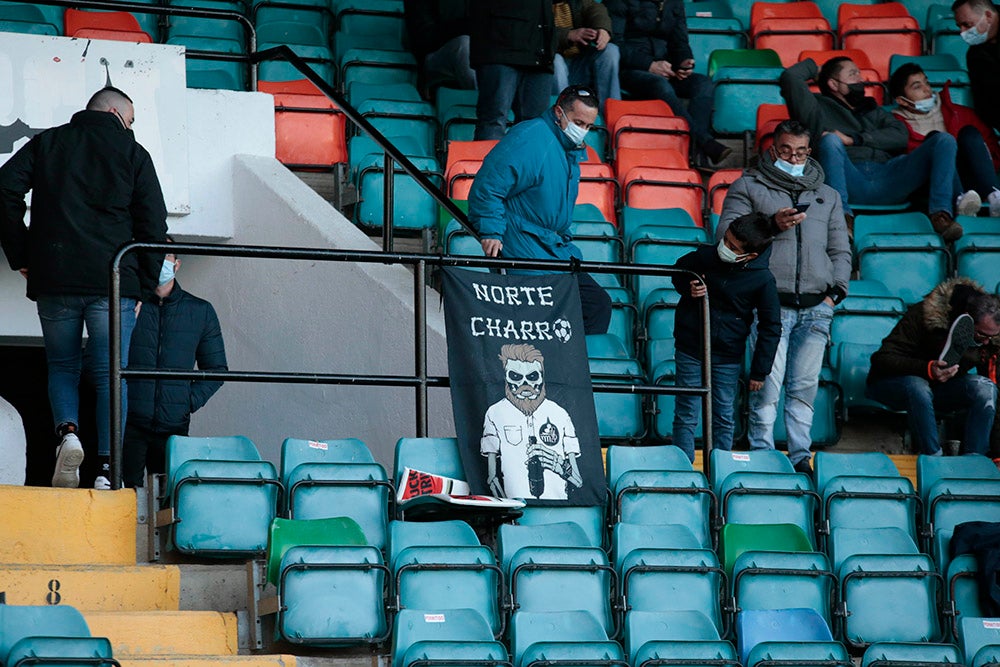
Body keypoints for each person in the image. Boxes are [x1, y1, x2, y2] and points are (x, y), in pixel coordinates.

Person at [0, 86, 168, 490]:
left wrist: (22, 255)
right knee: (112, 373)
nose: (130, 127)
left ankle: (67, 435)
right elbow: (153, 225)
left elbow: (4, 189)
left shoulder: (49, 141)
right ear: (115, 111)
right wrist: (144, 286)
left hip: (55, 276)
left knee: (62, 365)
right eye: (130, 119)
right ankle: (108, 468)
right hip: (114, 281)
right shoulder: (134, 153)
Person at [716, 120, 851, 474]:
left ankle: (799, 456)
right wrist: (771, 224)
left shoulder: (828, 195)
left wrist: (834, 294)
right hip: (768, 305)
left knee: (804, 387)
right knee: (767, 386)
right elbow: (727, 237)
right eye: (787, 150)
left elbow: (840, 250)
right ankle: (762, 453)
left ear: (810, 152)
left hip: (817, 306)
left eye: (801, 151)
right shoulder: (748, 186)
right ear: (774, 149)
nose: (794, 157)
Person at [780, 57, 975, 242]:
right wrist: (817, 69)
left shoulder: (874, 110)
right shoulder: (816, 109)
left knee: (944, 140)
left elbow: (900, 137)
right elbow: (790, 77)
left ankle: (940, 215)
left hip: (889, 175)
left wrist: (854, 139)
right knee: (830, 140)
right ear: (833, 84)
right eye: (853, 74)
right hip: (850, 177)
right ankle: (842, 220)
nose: (861, 79)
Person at [468, 85, 612, 335]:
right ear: (559, 112)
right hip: (522, 245)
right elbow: (488, 184)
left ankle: (566, 369)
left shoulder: (567, 148)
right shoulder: (531, 137)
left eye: (588, 126)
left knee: (596, 305)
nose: (583, 131)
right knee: (556, 313)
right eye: (578, 122)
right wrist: (490, 230)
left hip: (551, 248)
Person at [671, 211, 782, 462]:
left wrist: (759, 371)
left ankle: (720, 467)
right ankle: (682, 467)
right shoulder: (705, 256)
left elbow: (771, 325)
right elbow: (678, 271)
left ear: (751, 255)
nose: (725, 248)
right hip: (691, 346)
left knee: (723, 414)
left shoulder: (763, 279)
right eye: (726, 240)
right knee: (686, 411)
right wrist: (689, 288)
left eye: (733, 247)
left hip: (728, 354)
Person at [123, 249, 227, 488]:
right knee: (126, 496)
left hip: (174, 425)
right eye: (155, 255)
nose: (161, 262)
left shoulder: (200, 310)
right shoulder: (128, 305)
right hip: (130, 421)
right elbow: (102, 358)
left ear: (177, 264)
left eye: (167, 256)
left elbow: (216, 369)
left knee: (168, 499)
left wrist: (186, 401)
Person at [867, 278, 1000, 456]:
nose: (985, 341)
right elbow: (882, 359)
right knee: (918, 386)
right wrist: (928, 369)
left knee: (986, 388)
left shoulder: (990, 338)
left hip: (941, 389)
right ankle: (934, 458)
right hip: (892, 385)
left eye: (991, 337)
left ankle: (976, 459)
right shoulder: (922, 315)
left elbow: (995, 385)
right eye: (981, 334)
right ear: (967, 319)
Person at [605, 0, 731, 166]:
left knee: (704, 84)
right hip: (630, 70)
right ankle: (703, 143)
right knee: (660, 84)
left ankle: (697, 150)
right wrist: (649, 64)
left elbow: (680, 41)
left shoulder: (674, 2)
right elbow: (614, 45)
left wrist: (683, 62)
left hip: (666, 67)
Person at [889, 62, 1000, 216]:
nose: (926, 89)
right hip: (931, 184)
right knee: (936, 139)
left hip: (970, 178)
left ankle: (995, 197)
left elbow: (991, 148)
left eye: (926, 82)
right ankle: (960, 200)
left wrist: (984, 167)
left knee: (969, 133)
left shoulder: (958, 113)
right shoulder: (894, 126)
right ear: (901, 100)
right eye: (917, 87)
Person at [469, 1, 555, 140]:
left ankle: (526, 162)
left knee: (535, 127)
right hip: (499, 44)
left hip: (539, 48)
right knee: (494, 120)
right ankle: (491, 162)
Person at [552, 0, 621, 112]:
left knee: (610, 50)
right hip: (549, 71)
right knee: (555, 60)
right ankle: (563, 116)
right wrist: (567, 35)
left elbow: (595, 9)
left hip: (578, 66)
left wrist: (602, 29)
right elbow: (533, 31)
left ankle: (612, 116)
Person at [403, 0, 476, 95]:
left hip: (482, 55)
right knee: (464, 45)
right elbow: (424, 39)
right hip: (435, 57)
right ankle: (488, 104)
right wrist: (471, 27)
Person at [952, 0, 1000, 133]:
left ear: (988, 16)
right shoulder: (975, 56)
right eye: (959, 26)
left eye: (967, 25)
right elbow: (986, 101)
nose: (962, 32)